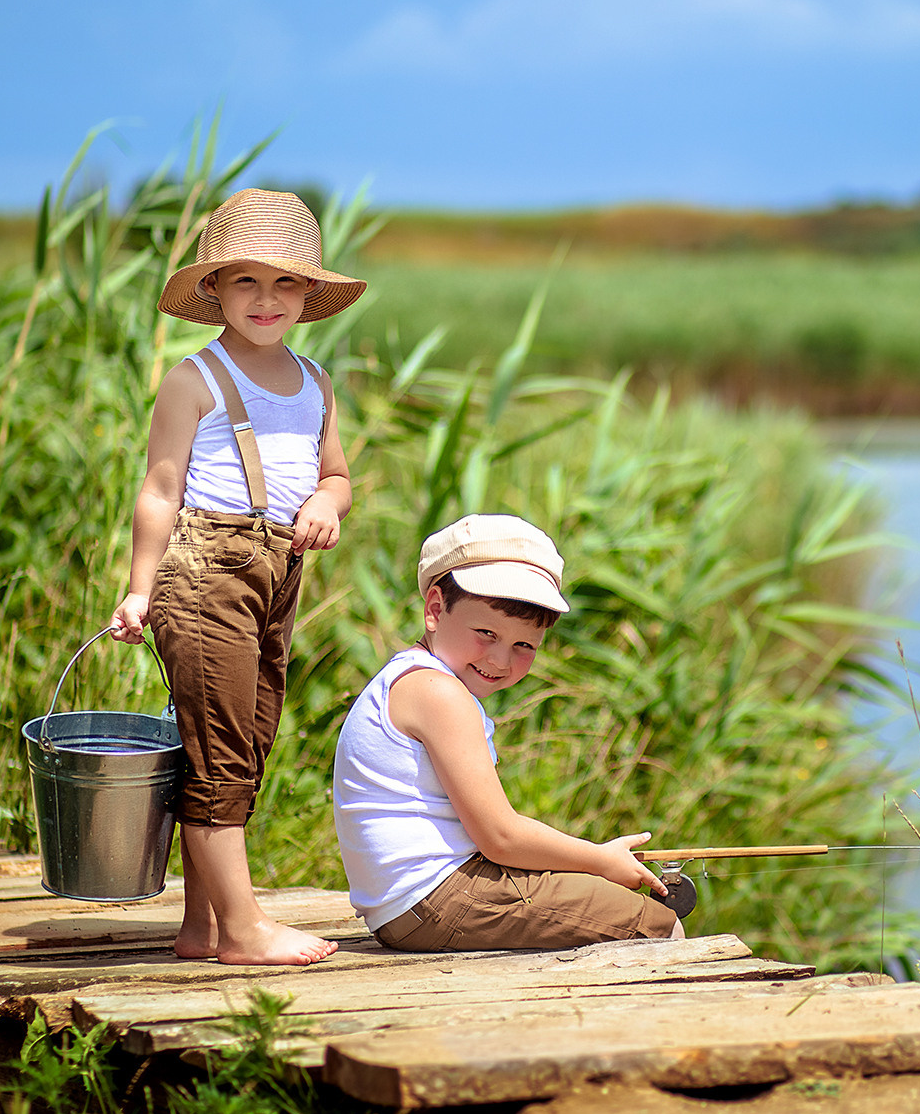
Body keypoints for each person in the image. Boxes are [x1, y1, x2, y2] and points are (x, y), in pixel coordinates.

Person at [107, 188, 365, 966]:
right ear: (213, 287)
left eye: (286, 282)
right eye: (246, 280)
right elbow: (158, 490)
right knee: (219, 747)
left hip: (275, 573)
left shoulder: (315, 380)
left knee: (244, 741)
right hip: (203, 571)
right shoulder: (197, 378)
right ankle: (245, 930)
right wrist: (139, 588)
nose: (266, 299)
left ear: (310, 294)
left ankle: (203, 926)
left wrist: (326, 501)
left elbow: (339, 476)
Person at [333, 513, 683, 950]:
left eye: (524, 645)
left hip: (409, 906)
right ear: (436, 609)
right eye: (486, 633)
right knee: (659, 924)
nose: (500, 660)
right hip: (439, 898)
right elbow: (501, 837)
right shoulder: (439, 694)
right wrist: (600, 860)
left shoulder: (407, 677)